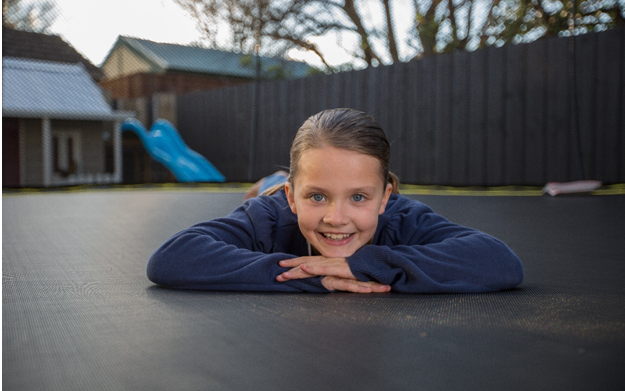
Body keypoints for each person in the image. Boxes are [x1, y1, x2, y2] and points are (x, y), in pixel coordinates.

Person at [147, 108, 523, 293]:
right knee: (265, 188)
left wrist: (369, 264)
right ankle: (276, 180)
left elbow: (499, 261)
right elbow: (173, 257)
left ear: (384, 198)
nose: (336, 217)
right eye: (317, 196)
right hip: (273, 192)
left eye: (358, 196)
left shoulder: (402, 216)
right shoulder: (270, 215)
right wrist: (315, 275)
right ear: (294, 199)